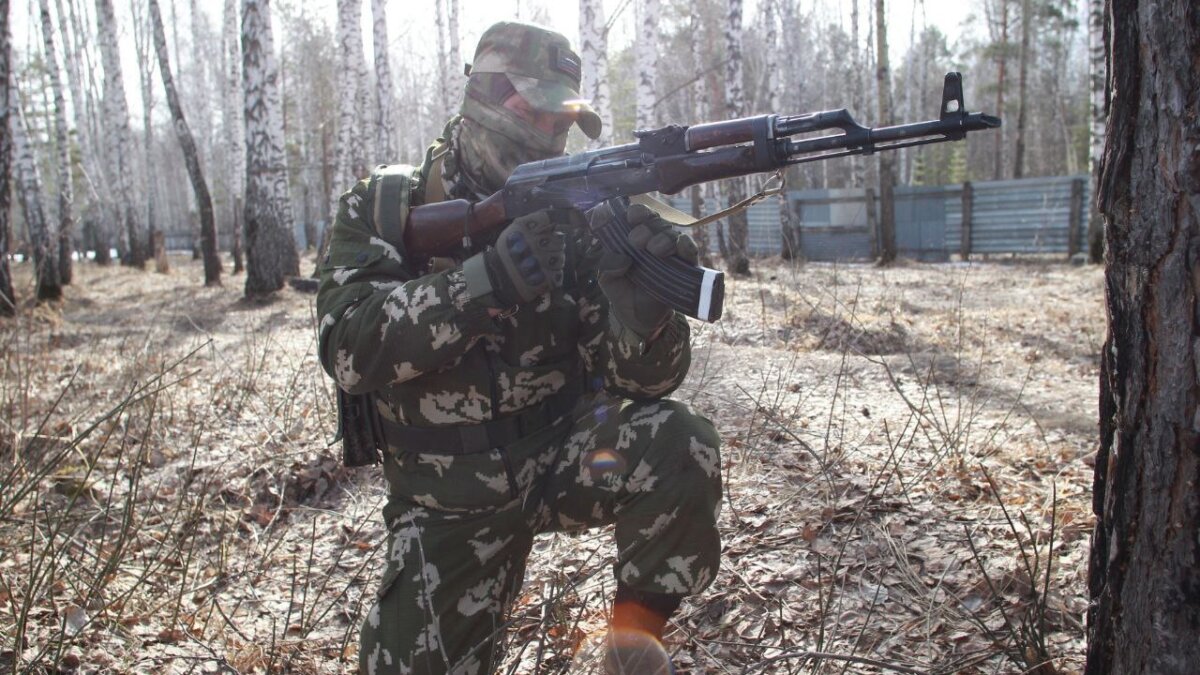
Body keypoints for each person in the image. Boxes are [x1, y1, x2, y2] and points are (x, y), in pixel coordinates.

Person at [316, 21, 722, 675]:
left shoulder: (582, 213)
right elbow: (348, 350)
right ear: (481, 97)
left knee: (681, 442)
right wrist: (481, 284)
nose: (546, 132)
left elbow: (644, 386)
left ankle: (632, 647)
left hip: (563, 457)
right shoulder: (388, 206)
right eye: (531, 108)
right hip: (446, 499)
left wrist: (643, 318)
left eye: (560, 119)